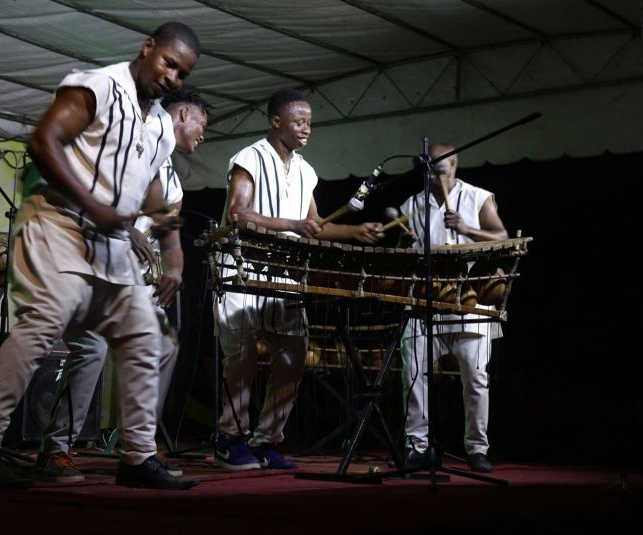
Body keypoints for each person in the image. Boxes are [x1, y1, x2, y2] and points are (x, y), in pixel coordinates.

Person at [0, 22, 202, 490]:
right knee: (44, 320)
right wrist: (94, 205)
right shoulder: (100, 86)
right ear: (148, 48)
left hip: (110, 240)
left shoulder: (161, 125)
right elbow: (43, 141)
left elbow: (151, 186)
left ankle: (137, 458)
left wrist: (173, 247)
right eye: (168, 62)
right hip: (59, 222)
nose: (172, 76)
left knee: (152, 338)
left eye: (181, 73)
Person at [33, 87, 210, 484]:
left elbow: (167, 228)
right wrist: (125, 226)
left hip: (129, 280)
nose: (203, 135)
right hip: (90, 262)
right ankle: (55, 450)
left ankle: (138, 453)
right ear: (182, 114)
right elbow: (79, 186)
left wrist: (171, 269)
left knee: (164, 346)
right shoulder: (129, 140)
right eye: (202, 123)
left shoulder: (172, 178)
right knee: (91, 348)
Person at [213, 88, 385, 471]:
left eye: (309, 121)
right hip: (242, 266)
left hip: (285, 273)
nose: (307, 128)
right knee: (240, 358)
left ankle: (267, 440)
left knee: (293, 357)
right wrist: (293, 225)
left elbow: (315, 227)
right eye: (299, 121)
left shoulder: (306, 170)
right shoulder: (250, 158)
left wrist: (354, 232)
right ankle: (229, 439)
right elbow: (238, 215)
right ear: (277, 121)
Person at [399, 143, 508, 473]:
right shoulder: (412, 204)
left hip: (469, 300)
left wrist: (467, 229)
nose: (435, 172)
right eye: (430, 167)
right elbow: (406, 249)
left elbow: (501, 236)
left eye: (441, 166)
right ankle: (415, 445)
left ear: (455, 164)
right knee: (413, 375)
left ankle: (476, 448)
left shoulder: (478, 197)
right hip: (426, 301)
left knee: (475, 380)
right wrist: (402, 242)